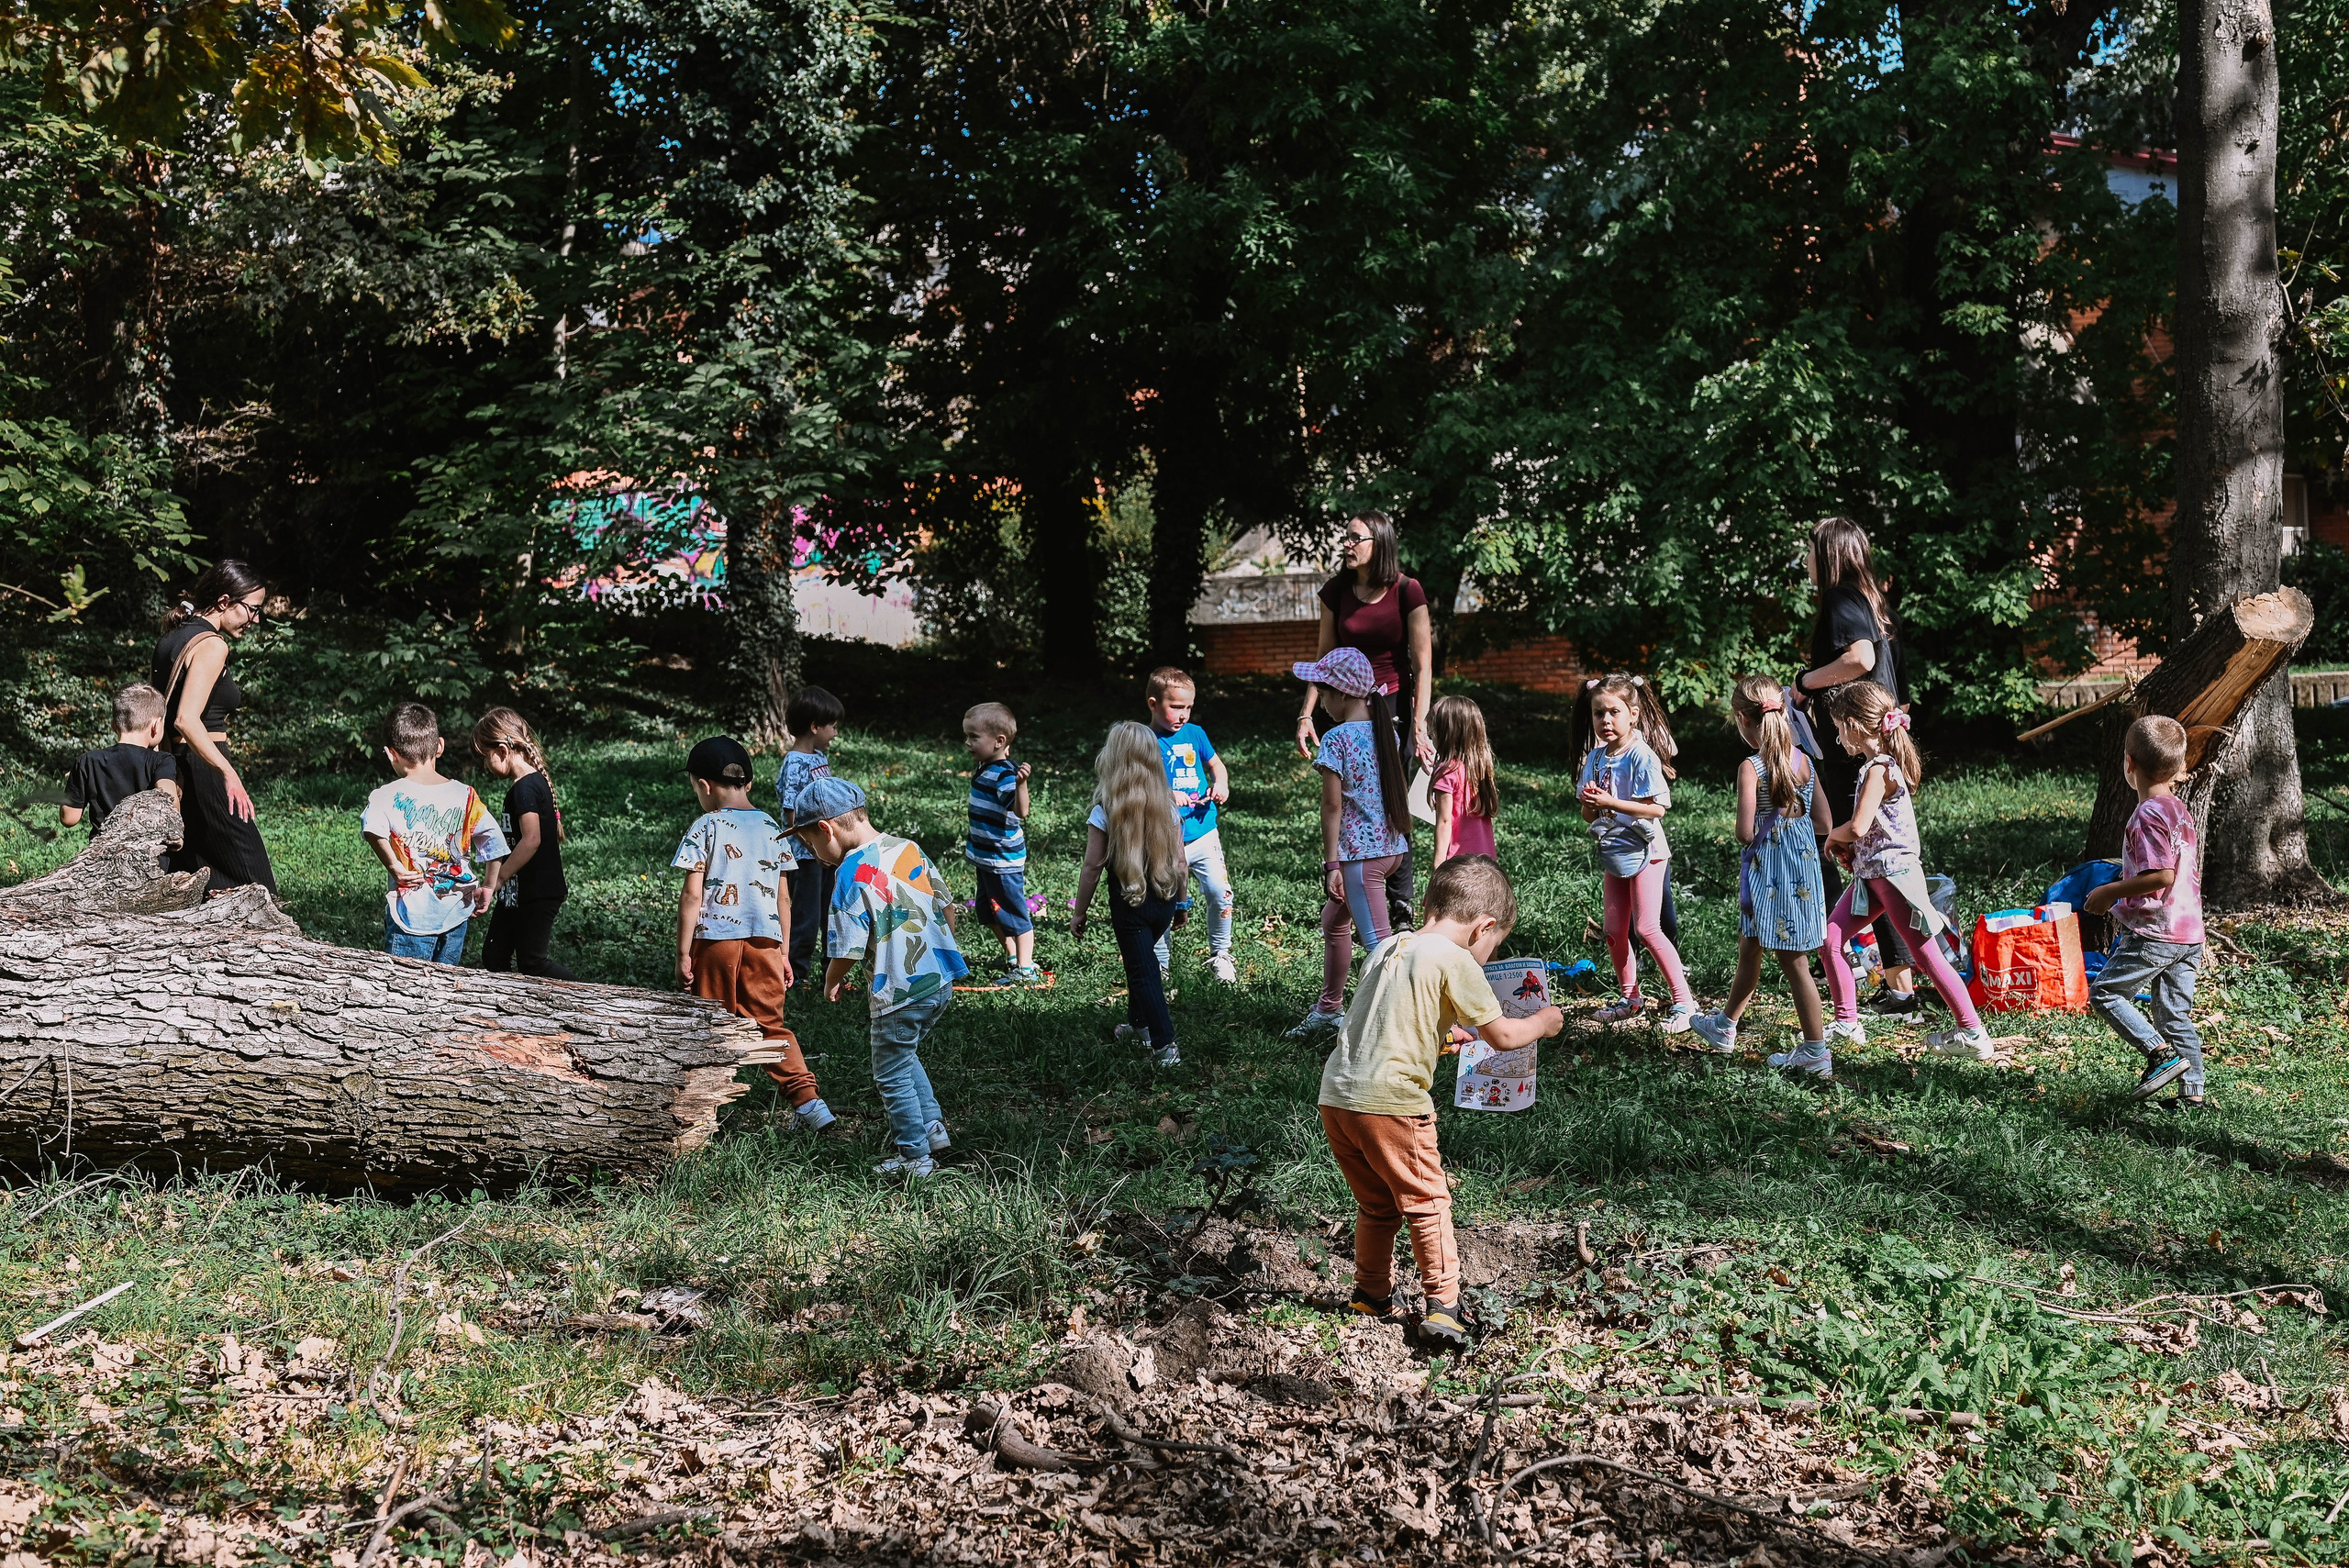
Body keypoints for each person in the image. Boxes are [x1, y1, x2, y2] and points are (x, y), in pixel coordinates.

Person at [1315, 854, 1563, 1351]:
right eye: (1494, 945)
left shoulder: (1388, 947)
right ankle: (1445, 1306)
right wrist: (1544, 1022)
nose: (1489, 955)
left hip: (1338, 1098)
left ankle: (1371, 1293)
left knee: (1377, 1204)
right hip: (1394, 1103)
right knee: (1428, 1203)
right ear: (1483, 927)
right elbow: (1504, 1036)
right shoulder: (1457, 959)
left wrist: (1442, 1037)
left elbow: (1388, 1018)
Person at [1811, 681, 1994, 1073]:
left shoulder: (1879, 769)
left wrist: (1834, 839)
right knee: (1831, 940)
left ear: (1854, 725)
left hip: (1894, 879)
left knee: (1927, 958)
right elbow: (1871, 832)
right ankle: (1847, 1022)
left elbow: (1858, 826)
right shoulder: (1875, 768)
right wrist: (1853, 851)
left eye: (1838, 728)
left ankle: (1972, 1032)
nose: (1838, 737)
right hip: (1872, 878)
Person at [795, 776, 970, 1178]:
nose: (813, 853)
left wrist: (831, 981)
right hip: (939, 980)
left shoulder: (849, 873)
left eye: (809, 843)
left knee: (890, 1073)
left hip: (898, 992)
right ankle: (932, 1127)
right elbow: (947, 906)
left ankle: (915, 1157)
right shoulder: (908, 848)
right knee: (904, 1055)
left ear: (826, 829)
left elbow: (846, 948)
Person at [672, 736, 834, 1132]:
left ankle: (700, 1112)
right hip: (766, 943)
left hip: (715, 943)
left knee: (708, 1025)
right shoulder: (771, 827)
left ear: (704, 785)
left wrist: (683, 954)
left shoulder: (705, 826)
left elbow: (692, 895)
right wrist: (783, 952)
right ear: (749, 783)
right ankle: (810, 1104)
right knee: (770, 1025)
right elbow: (783, 898)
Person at [1790, 516, 1920, 1012]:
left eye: (1810, 550)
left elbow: (1861, 659)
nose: (1806, 560)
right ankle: (1897, 980)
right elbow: (1899, 692)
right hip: (1875, 745)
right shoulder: (1875, 602)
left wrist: (1804, 684)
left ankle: (1898, 987)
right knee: (1878, 858)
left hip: (1855, 752)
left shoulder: (1842, 599)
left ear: (1829, 554)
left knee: (1872, 857)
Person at [1690, 678, 1831, 1056]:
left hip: (1767, 876)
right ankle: (1725, 1026)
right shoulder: (1804, 762)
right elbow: (1824, 823)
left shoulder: (1751, 767)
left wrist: (1770, 827)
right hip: (1800, 874)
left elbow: (1744, 833)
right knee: (1750, 947)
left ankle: (1816, 1052)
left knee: (1795, 963)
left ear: (1742, 719)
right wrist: (1793, 826)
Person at [1284, 647, 1413, 1042]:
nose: (1321, 702)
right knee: (1334, 921)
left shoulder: (1337, 738)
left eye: (1323, 693)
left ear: (1341, 693)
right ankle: (1328, 1009)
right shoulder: (1385, 731)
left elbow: (1332, 806)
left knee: (1380, 949)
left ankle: (1402, 1029)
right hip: (1392, 849)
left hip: (1361, 857)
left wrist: (1332, 864)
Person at [2084, 717, 2207, 1107]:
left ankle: (2160, 1053)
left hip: (2157, 931)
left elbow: (2161, 875)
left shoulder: (2148, 815)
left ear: (2129, 763)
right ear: (2178, 767)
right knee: (2174, 1015)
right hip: (2189, 933)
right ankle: (2193, 1095)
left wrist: (2109, 892)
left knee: (2106, 992)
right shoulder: (2178, 809)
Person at [1571, 673, 1696, 1032]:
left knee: (1647, 928)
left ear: (1633, 714)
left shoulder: (1641, 756)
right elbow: (1589, 815)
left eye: (1614, 712)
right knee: (1613, 930)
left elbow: (1657, 809)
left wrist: (1611, 802)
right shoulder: (1595, 759)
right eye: (1598, 713)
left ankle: (1685, 1003)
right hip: (1615, 852)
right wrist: (1591, 804)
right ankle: (1630, 999)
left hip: (1648, 852)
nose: (1606, 720)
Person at [152, 560, 279, 895]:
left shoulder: (172, 638)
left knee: (194, 875)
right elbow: (185, 719)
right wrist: (227, 772)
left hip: (176, 767)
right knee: (255, 881)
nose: (255, 620)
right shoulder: (212, 644)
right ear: (225, 601)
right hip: (204, 766)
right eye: (253, 609)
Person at [1072, 721, 1192, 1068]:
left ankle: (1164, 1045)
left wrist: (1080, 912)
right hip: (1164, 900)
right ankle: (1139, 1024)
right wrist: (1181, 903)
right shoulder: (1168, 807)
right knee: (1142, 961)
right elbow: (1180, 863)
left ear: (1112, 760)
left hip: (1129, 904)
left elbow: (1092, 868)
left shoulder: (1105, 810)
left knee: (1144, 971)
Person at [361, 703, 507, 964]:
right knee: (445, 984)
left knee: (404, 983)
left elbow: (372, 828)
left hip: (410, 916)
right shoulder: (465, 796)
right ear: (439, 746)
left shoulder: (386, 795)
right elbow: (493, 840)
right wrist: (488, 885)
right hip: (456, 913)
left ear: (391, 754)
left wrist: (394, 866)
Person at [1145, 667, 1237, 984]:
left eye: (1188, 707)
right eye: (1175, 707)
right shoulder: (1145, 741)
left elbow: (1216, 765)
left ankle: (1221, 954)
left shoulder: (1196, 733)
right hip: (1162, 839)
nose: (1183, 714)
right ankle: (1160, 967)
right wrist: (1167, 795)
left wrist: (1221, 783)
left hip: (1202, 831)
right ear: (1153, 704)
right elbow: (1140, 785)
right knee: (1160, 902)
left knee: (1221, 893)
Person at [473, 708, 578, 982]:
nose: (485, 765)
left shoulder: (525, 788)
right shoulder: (528, 784)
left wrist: (499, 879)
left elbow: (532, 840)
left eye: (486, 756)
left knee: (533, 962)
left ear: (503, 750)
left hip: (538, 891)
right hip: (518, 892)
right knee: (494, 956)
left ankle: (587, 996)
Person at [963, 701, 1042, 986]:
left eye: (974, 737)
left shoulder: (1005, 774)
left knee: (1015, 914)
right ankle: (1013, 956)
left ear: (999, 741)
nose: (967, 743)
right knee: (988, 912)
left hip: (1002, 861)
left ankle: (1026, 969)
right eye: (967, 736)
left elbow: (1021, 811)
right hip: (986, 859)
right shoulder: (986, 766)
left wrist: (1021, 785)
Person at [777, 685, 843, 986]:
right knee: (807, 916)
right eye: (833, 727)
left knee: (831, 911)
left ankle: (833, 972)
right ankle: (796, 974)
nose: (835, 734)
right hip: (805, 856)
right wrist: (814, 849)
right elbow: (792, 813)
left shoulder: (818, 757)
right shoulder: (795, 762)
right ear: (815, 726)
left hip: (826, 851)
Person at [61, 684, 180, 834]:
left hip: (103, 847)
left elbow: (69, 818)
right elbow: (169, 801)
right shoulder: (161, 761)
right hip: (147, 847)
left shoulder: (87, 761)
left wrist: (74, 784)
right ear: (156, 726)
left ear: (113, 725)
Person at [1427, 695, 1497, 866]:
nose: (1429, 734)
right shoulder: (1479, 767)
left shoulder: (1447, 771)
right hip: (1485, 864)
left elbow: (1444, 821)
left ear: (1446, 733)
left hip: (1458, 866)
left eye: (1433, 729)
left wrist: (1438, 864)